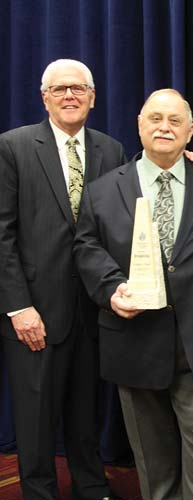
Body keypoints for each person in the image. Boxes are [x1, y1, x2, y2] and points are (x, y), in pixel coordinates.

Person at [73, 88, 193, 500]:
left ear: (191, 130)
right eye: (155, 119)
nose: (164, 127)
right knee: (152, 459)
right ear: (139, 125)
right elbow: (86, 248)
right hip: (134, 338)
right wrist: (112, 289)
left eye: (175, 121)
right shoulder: (102, 189)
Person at [0, 59, 126, 500]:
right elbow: (2, 233)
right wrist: (18, 306)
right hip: (34, 312)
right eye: (60, 89)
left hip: (93, 311)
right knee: (34, 419)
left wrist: (185, 162)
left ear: (93, 97)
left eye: (78, 88)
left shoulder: (112, 150)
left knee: (87, 413)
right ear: (44, 97)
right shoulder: (12, 147)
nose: (69, 96)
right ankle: (39, 492)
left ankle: (93, 487)